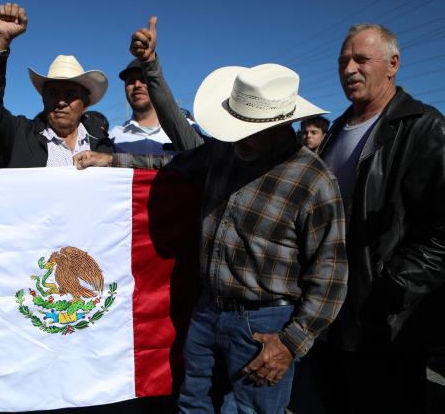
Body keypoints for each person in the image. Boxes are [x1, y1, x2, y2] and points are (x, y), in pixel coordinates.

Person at [74, 63, 348, 413]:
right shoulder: (223, 152)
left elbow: (331, 278)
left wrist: (290, 343)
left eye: (252, 129)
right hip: (207, 310)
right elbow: (168, 165)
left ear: (283, 124)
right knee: (193, 404)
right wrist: (110, 160)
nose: (240, 139)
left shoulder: (315, 181)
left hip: (265, 324)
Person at [314, 23, 445, 414]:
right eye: (343, 61)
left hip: (384, 326)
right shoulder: (337, 131)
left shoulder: (424, 128)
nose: (349, 69)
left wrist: (391, 287)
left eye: (360, 59)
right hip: (329, 318)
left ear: (393, 65)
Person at [0, 2, 112, 168]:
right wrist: (0, 40)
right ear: (43, 98)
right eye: (53, 93)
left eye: (70, 94)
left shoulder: (104, 145)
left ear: (85, 104)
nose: (61, 101)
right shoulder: (19, 136)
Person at [110, 17, 204, 155]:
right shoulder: (114, 137)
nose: (137, 85)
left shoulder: (189, 130)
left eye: (143, 79)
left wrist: (149, 61)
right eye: (130, 81)